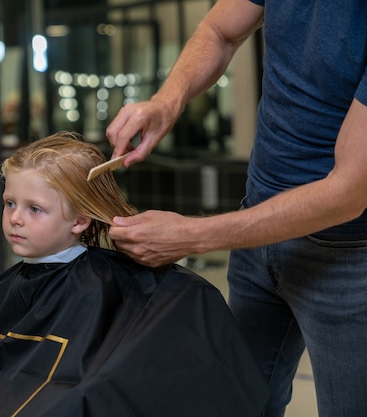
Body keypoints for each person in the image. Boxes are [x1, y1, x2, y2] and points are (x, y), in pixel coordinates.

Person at [0, 132, 269, 417]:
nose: (15, 217)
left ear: (80, 219)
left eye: (35, 208)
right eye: (10, 203)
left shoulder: (113, 287)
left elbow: (97, 385)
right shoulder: (17, 285)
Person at [105, 1, 367, 416]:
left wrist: (191, 236)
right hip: (257, 225)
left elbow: (349, 191)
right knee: (234, 401)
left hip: (348, 255)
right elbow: (220, 31)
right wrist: (166, 101)